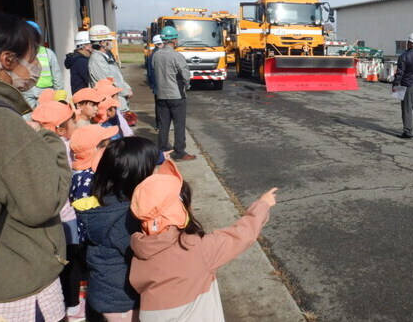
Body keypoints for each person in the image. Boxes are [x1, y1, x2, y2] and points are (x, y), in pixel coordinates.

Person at [0, 12, 72, 322]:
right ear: (7, 60)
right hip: (18, 280)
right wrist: (51, 143)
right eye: (33, 57)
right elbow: (43, 203)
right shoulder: (4, 123)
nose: (37, 66)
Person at [129, 158, 277, 321]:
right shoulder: (195, 247)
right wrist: (262, 205)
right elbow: (242, 234)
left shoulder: (139, 249)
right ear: (181, 209)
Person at [77, 137, 158, 321]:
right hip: (122, 302)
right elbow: (146, 255)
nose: (156, 171)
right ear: (137, 174)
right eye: (152, 167)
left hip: (104, 293)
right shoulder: (125, 217)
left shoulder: (108, 200)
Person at [31, 100, 85, 319]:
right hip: (65, 215)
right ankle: (72, 304)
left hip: (48, 218)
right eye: (73, 119)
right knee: (70, 261)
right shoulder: (61, 147)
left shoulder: (35, 145)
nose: (76, 122)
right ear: (60, 128)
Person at [152, 26, 196, 161]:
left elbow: (154, 70)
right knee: (179, 124)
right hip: (176, 95)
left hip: (161, 95)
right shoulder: (177, 56)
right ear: (174, 40)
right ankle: (180, 152)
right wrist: (187, 85)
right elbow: (185, 74)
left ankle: (163, 150)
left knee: (163, 124)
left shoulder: (156, 55)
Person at [87, 24, 133, 111]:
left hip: (118, 101)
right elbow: (108, 81)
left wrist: (127, 87)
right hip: (109, 104)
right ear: (102, 43)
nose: (111, 43)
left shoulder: (106, 56)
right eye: (109, 40)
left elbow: (117, 76)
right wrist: (125, 92)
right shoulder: (97, 60)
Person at [21, 20, 64, 110]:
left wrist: (59, 96)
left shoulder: (48, 53)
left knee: (47, 119)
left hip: (45, 93)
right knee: (29, 121)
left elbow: (57, 76)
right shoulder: (18, 53)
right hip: (26, 93)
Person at [147, 34, 163, 130]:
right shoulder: (156, 55)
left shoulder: (152, 54)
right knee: (160, 106)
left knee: (159, 105)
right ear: (158, 44)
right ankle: (160, 125)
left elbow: (149, 73)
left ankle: (159, 125)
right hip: (159, 84)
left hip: (156, 84)